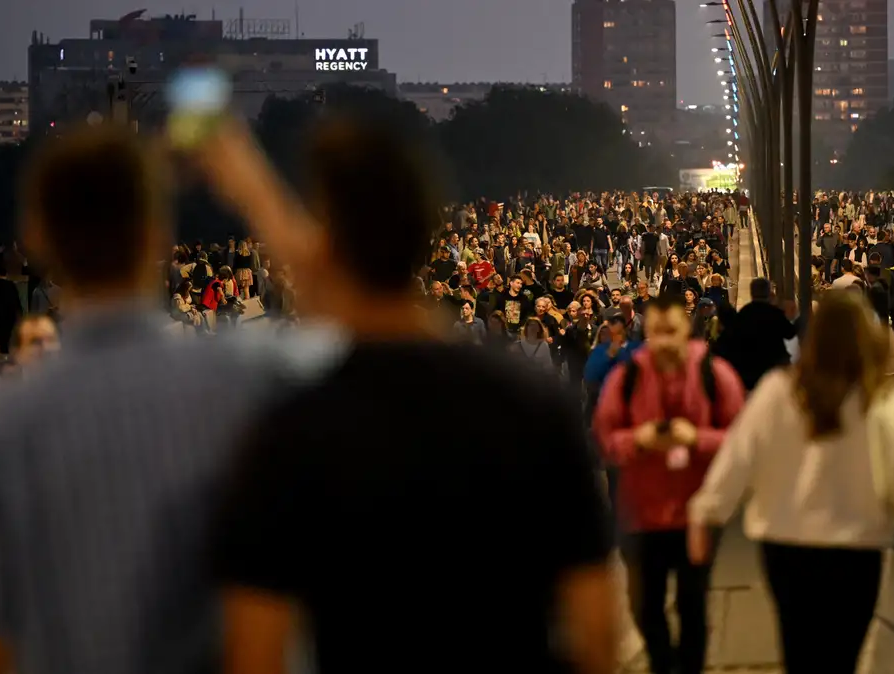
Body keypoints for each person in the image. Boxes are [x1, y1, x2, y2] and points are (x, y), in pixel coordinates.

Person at [0, 125, 341, 674]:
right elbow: (364, 338)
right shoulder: (245, 378)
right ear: (158, 233)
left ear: (37, 235)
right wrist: (259, 197)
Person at [200, 115, 617, 674]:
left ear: (326, 250)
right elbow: (597, 635)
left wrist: (250, 187)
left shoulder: (291, 432)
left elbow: (255, 653)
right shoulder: (533, 404)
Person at [689, 290, 894, 674]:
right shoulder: (878, 401)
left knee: (798, 650)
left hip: (786, 545)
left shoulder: (778, 391)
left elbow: (738, 458)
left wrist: (707, 514)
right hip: (855, 549)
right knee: (843, 657)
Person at [593, 293, 746, 674]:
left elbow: (743, 441)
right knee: (645, 606)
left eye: (671, 331)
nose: (663, 341)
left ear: (686, 329)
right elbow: (604, 436)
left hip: (698, 514)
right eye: (656, 331)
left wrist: (697, 439)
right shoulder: (628, 376)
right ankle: (663, 664)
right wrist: (638, 440)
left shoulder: (714, 374)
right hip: (641, 514)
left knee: (693, 603)